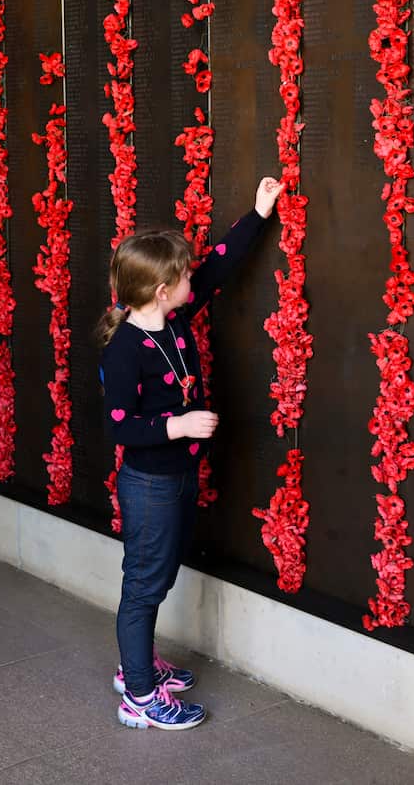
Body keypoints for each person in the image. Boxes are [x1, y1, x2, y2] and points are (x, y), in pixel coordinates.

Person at [97, 176, 283, 729]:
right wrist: (177, 425)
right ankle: (139, 694)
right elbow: (121, 426)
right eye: (180, 276)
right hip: (150, 481)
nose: (189, 280)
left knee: (160, 574)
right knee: (144, 584)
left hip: (176, 477)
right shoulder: (127, 346)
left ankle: (139, 666)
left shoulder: (173, 319)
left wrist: (258, 212)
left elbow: (219, 269)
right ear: (159, 290)